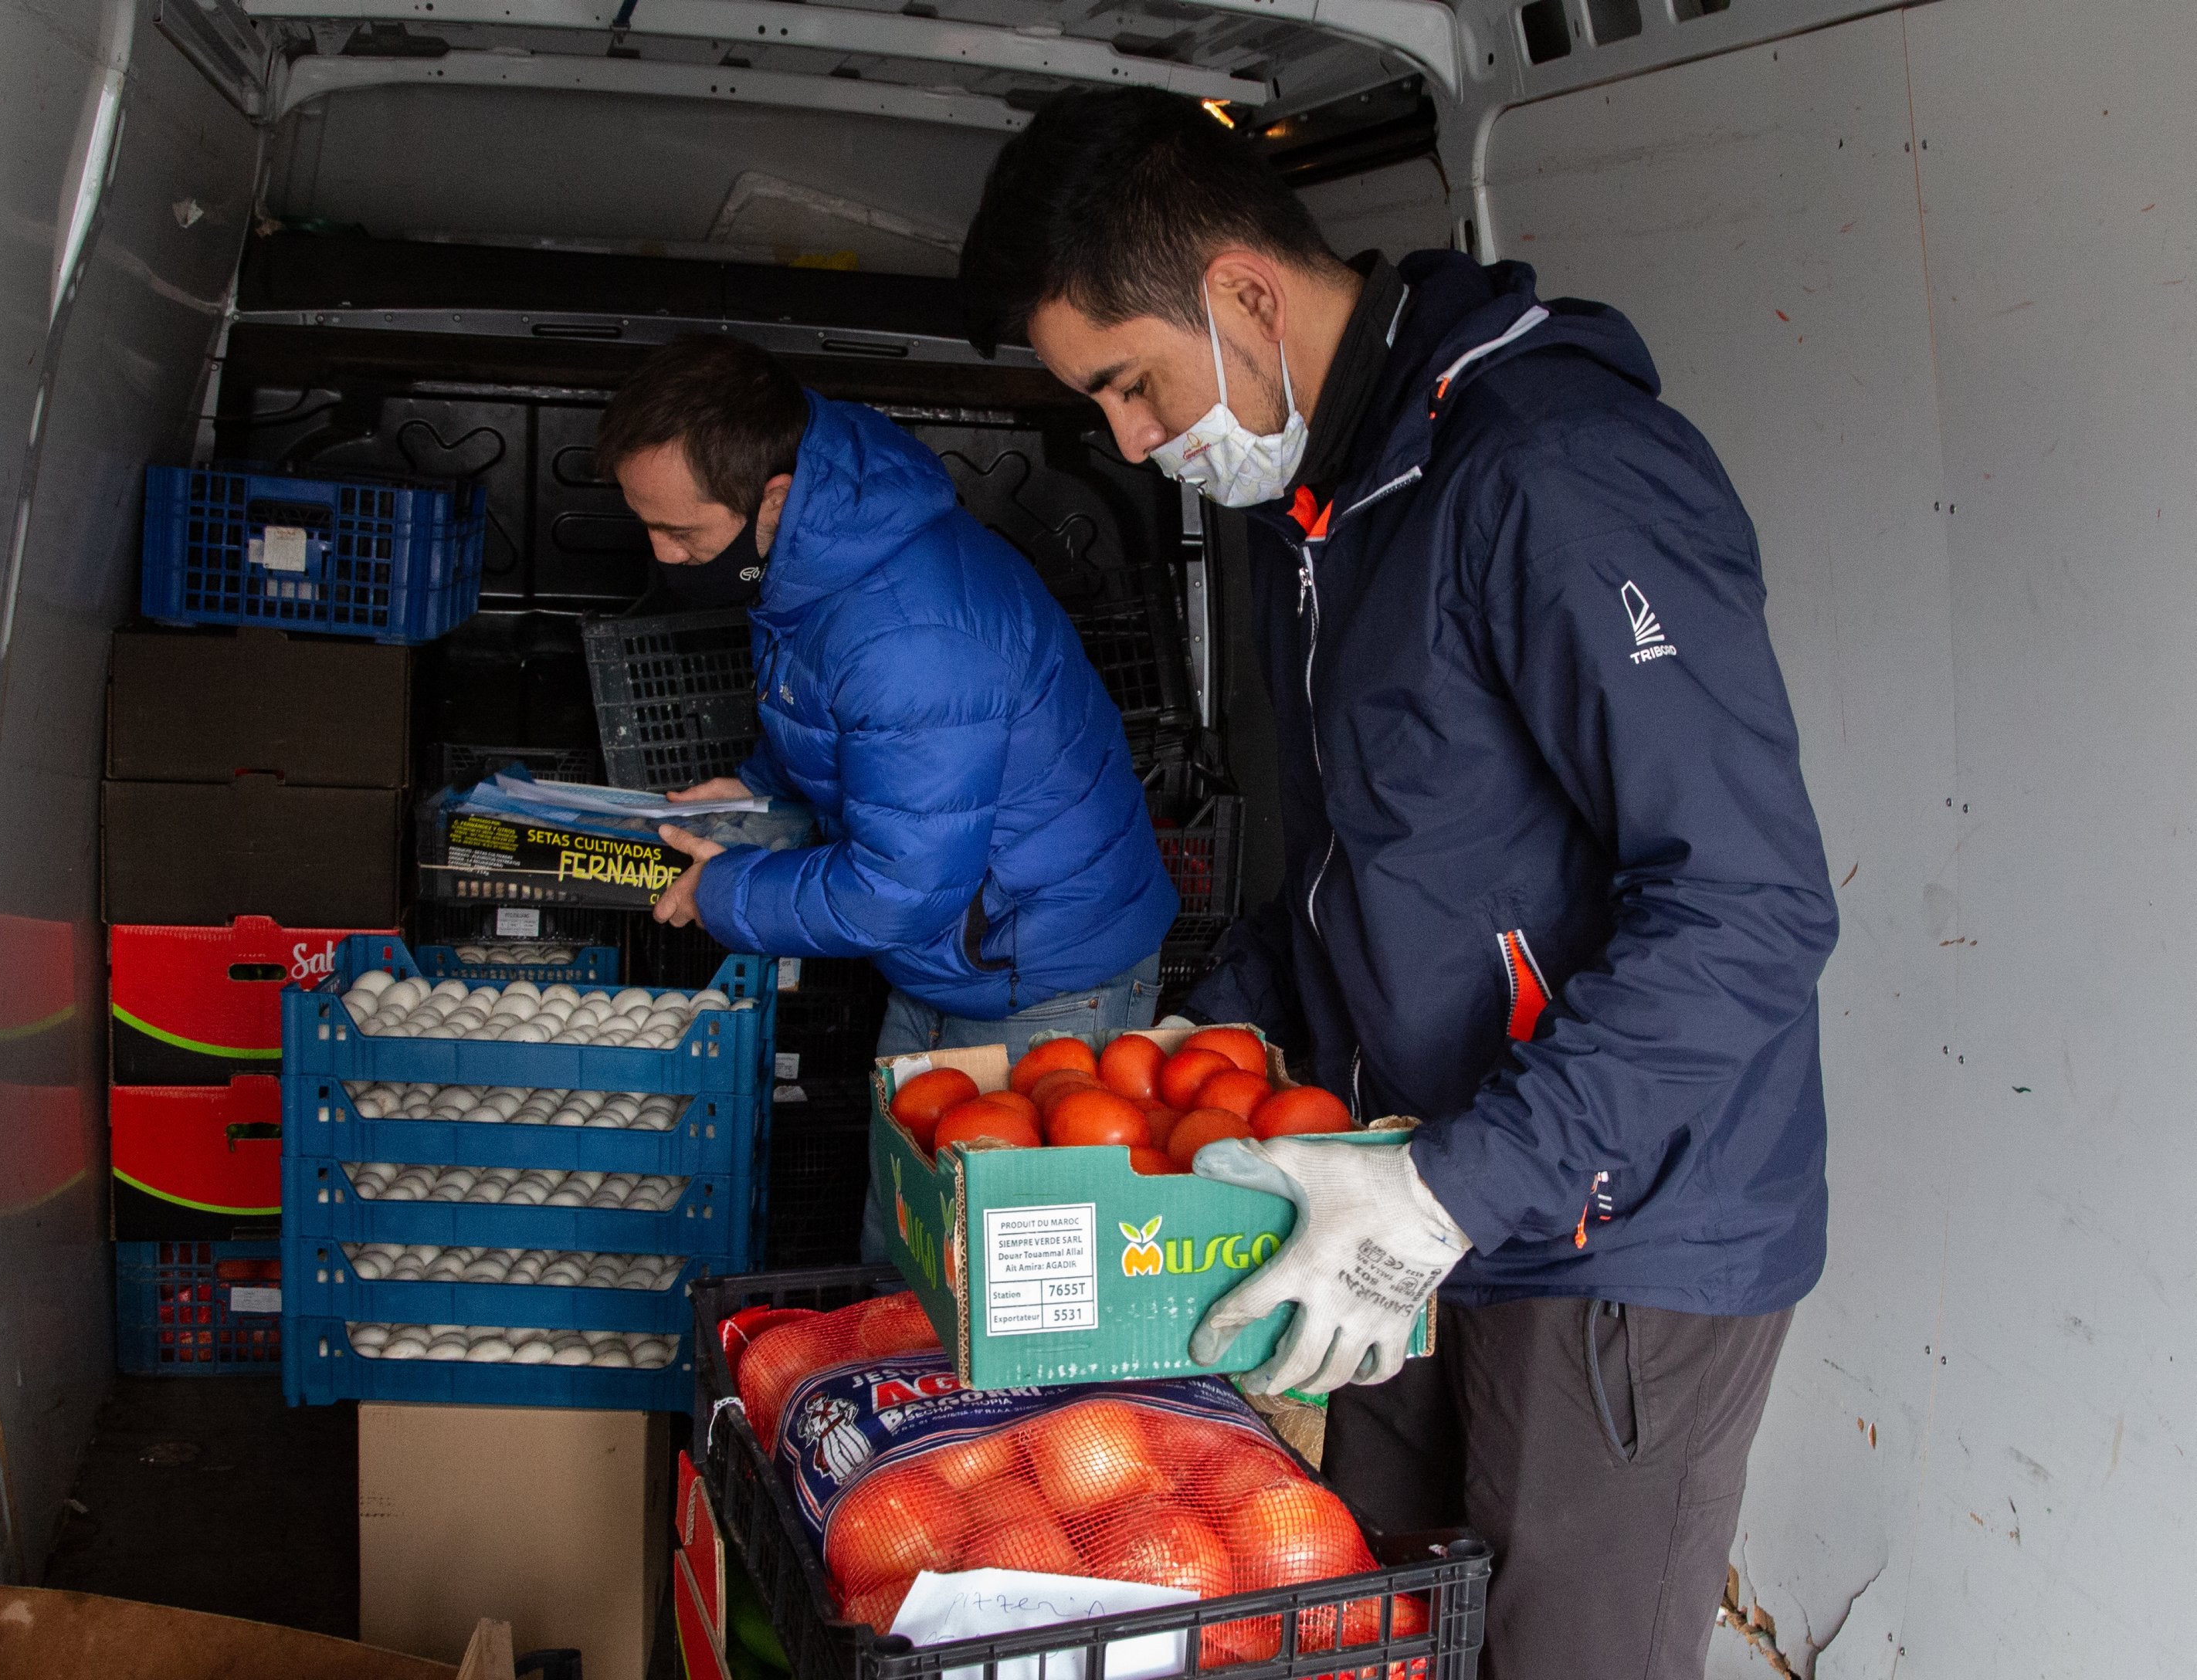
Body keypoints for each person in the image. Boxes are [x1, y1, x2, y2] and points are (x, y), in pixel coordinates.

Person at [959, 90, 1838, 1680]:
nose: (1130, 441)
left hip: (1606, 1228)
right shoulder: (1329, 500)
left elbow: (1750, 906)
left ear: (1239, 291)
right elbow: (1361, 865)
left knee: (1559, 1653)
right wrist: (1199, 1043)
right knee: (1367, 1631)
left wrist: (1455, 1185)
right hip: (1401, 1192)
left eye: (1128, 385)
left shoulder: (1552, 475)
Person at [592, 335, 1180, 1258]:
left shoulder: (910, 631)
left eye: (684, 534)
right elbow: (858, 735)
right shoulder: (828, 566)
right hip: (958, 955)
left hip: (1044, 974)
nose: (664, 556)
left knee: (993, 1288)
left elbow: (899, 888)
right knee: (905, 1248)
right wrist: (755, 788)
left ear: (776, 499)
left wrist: (726, 893)